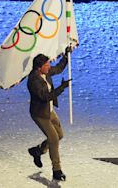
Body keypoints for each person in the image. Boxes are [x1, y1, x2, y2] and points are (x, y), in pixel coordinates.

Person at [27, 46, 72, 181]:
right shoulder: (34, 81)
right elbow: (46, 97)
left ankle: (38, 151)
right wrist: (62, 88)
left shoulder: (45, 72)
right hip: (40, 114)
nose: (49, 66)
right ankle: (56, 170)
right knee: (53, 139)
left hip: (49, 110)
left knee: (60, 135)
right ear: (39, 67)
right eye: (47, 65)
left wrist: (66, 56)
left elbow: (58, 69)